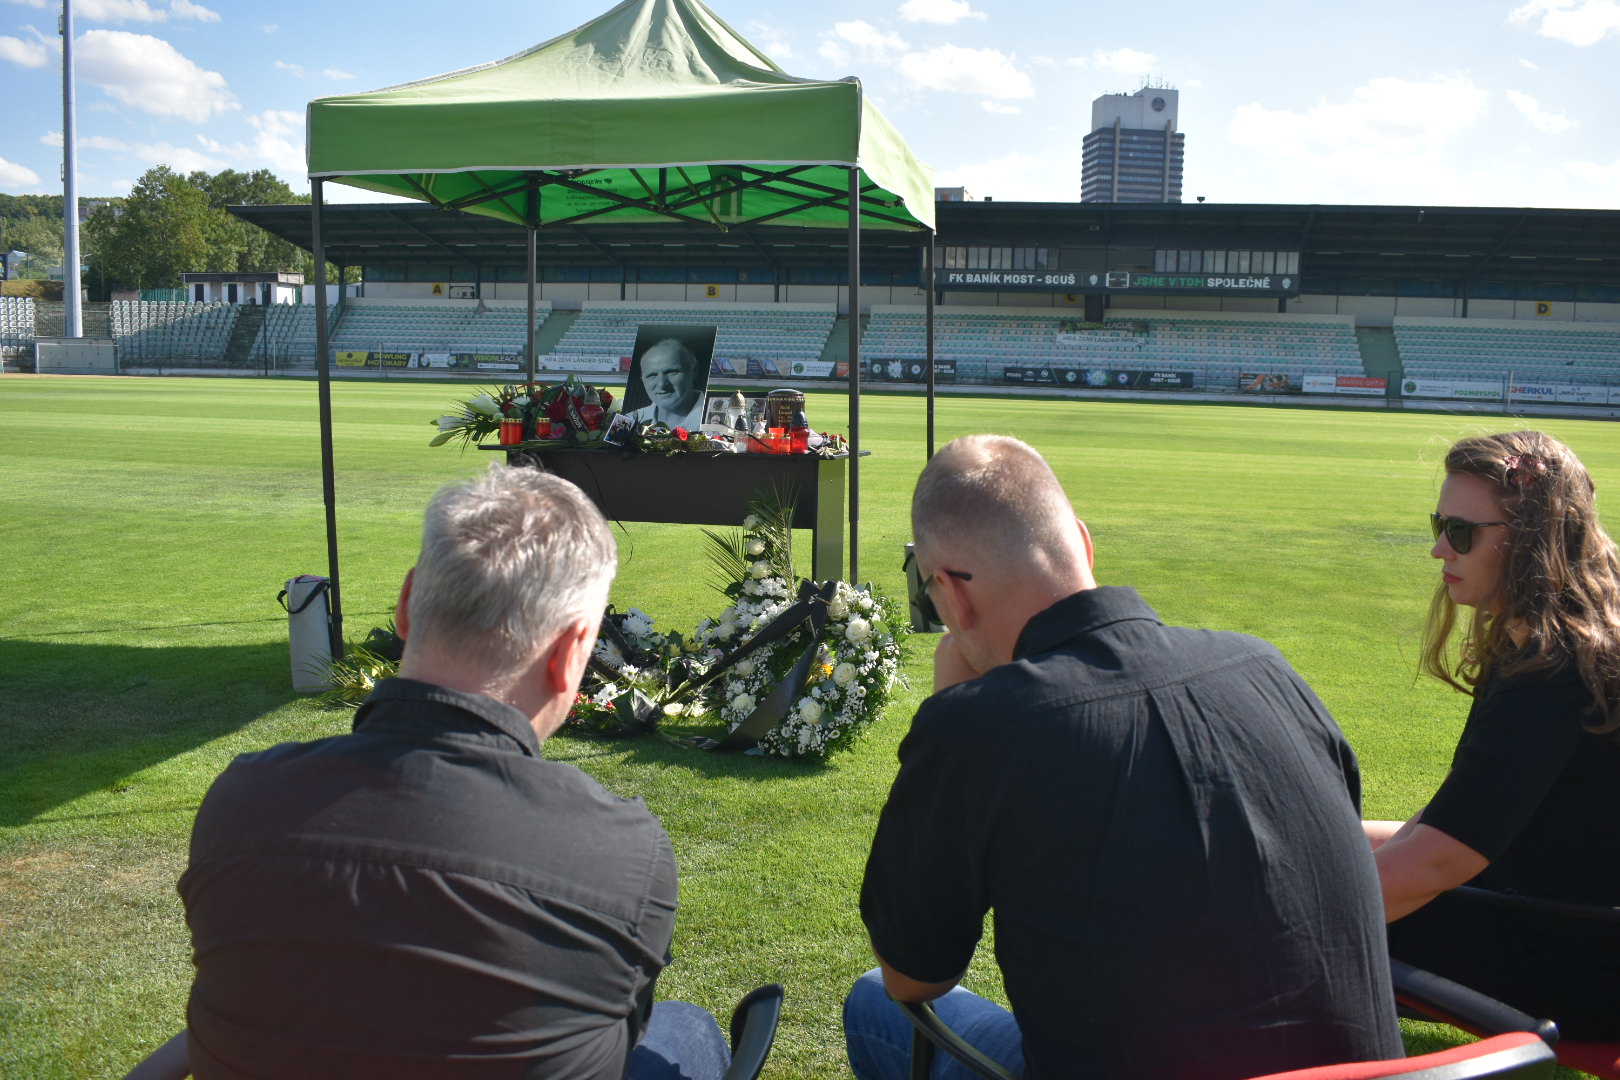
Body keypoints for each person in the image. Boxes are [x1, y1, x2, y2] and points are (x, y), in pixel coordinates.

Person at [845, 434, 1402, 1080]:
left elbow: (914, 975)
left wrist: (956, 710)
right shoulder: (1267, 667)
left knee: (871, 1004)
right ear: (1082, 543)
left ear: (950, 593)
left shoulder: (980, 726)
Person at [179, 465, 734, 1079]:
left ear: (408, 606)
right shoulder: (622, 853)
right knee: (687, 1031)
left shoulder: (241, 800)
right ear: (573, 652)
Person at [1366, 430, 1620, 1038]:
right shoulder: (1551, 640)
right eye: (1439, 524)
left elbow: (1436, 863)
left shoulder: (1553, 671)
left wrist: (1266, 916)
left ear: (1528, 543)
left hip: (1576, 962)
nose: (1437, 551)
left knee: (1274, 907)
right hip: (1555, 909)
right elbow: (1454, 819)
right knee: (1310, 847)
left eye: (1459, 532)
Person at [627, 338, 705, 430]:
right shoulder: (629, 420)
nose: (662, 384)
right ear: (642, 379)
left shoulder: (718, 423)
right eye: (652, 375)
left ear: (695, 371)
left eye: (671, 372)